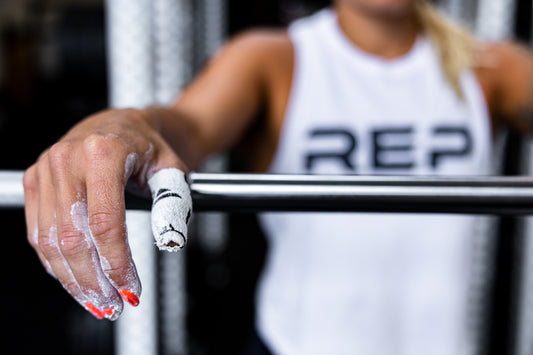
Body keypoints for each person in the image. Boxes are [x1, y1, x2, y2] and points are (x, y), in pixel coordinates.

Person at [23, 0, 533, 354]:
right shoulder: (275, 59)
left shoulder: (490, 69)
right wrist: (113, 130)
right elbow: (181, 125)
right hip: (294, 344)